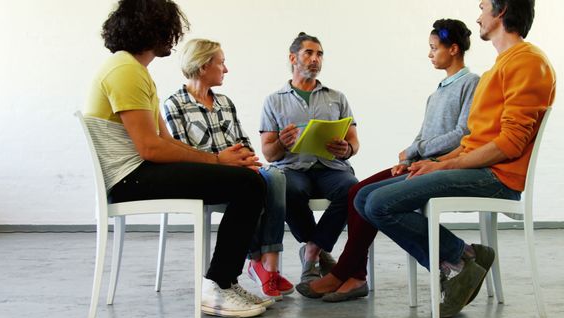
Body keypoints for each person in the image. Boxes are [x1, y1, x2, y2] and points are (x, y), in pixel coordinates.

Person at [84, 0, 272, 318]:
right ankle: (218, 285)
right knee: (249, 184)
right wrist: (217, 161)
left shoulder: (133, 70)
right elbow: (150, 149)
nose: (173, 37)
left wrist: (218, 159)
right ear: (155, 29)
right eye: (170, 29)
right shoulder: (125, 71)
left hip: (138, 172)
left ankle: (223, 282)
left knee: (248, 181)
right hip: (130, 178)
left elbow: (165, 142)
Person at [297, 19, 480, 302]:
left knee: (372, 201)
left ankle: (346, 273)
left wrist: (416, 150)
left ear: (453, 49)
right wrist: (408, 155)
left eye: (434, 48)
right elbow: (424, 135)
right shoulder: (438, 91)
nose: (430, 54)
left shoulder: (471, 83)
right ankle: (355, 276)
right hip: (420, 163)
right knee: (356, 191)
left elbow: (462, 133)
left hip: (441, 165)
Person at [163, 38, 294, 300]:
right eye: (221, 63)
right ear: (202, 67)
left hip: (241, 170)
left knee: (276, 176)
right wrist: (222, 159)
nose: (226, 69)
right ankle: (253, 262)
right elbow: (183, 154)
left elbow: (245, 144)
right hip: (208, 176)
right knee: (252, 185)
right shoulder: (174, 105)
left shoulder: (225, 103)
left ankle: (267, 263)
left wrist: (244, 159)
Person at [259, 32, 360, 283]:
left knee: (352, 189)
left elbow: (354, 143)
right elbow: (268, 153)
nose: (315, 59)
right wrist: (282, 142)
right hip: (292, 168)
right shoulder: (273, 101)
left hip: (331, 166)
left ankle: (312, 251)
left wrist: (345, 149)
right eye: (309, 53)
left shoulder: (336, 97)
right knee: (287, 189)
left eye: (320, 54)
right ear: (293, 57)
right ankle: (318, 249)